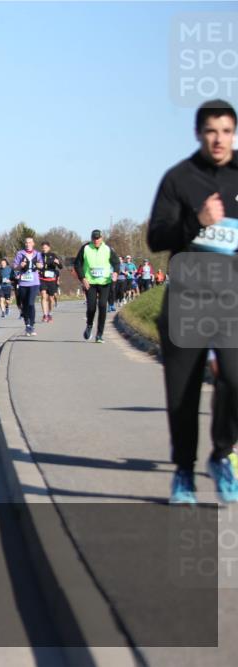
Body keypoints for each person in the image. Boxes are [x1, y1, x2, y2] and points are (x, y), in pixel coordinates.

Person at [147, 99, 238, 504]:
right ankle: (184, 471)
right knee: (182, 395)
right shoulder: (178, 179)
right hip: (187, 302)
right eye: (211, 131)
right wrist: (195, 221)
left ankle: (221, 454)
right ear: (199, 134)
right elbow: (157, 237)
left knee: (235, 380)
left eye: (226, 131)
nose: (219, 139)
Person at [73, 229, 120, 343]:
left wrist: (115, 273)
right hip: (90, 283)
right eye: (94, 238)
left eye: (98, 238)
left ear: (102, 238)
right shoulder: (86, 248)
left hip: (104, 282)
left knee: (103, 305)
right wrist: (82, 278)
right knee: (91, 307)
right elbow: (77, 264)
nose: (96, 240)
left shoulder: (107, 249)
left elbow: (116, 262)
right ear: (91, 238)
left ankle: (99, 335)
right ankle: (89, 325)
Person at [12, 237, 43, 335]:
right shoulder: (20, 253)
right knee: (24, 305)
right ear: (25, 244)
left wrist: (39, 265)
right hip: (23, 283)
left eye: (30, 242)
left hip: (34, 282)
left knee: (31, 303)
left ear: (33, 243)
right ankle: (27, 324)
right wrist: (20, 265)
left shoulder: (37, 254)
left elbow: (42, 265)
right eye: (26, 242)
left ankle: (32, 326)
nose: (28, 244)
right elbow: (14, 266)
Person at [38, 241, 62, 323]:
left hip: (51, 280)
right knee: (44, 296)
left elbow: (60, 266)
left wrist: (57, 263)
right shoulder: (39, 255)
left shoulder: (53, 255)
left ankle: (50, 314)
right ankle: (45, 315)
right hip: (42, 278)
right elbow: (36, 264)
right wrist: (37, 265)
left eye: (45, 248)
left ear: (49, 248)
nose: (44, 249)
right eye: (43, 248)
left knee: (51, 299)